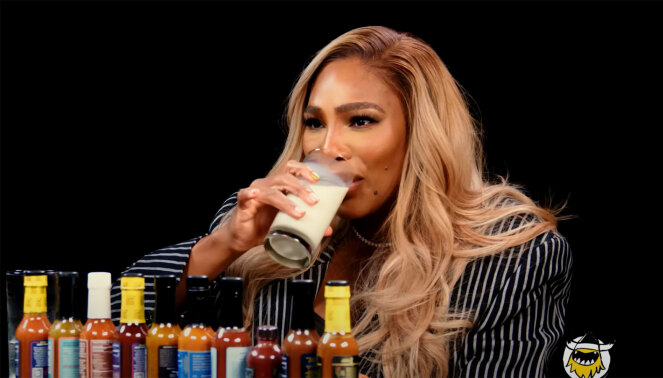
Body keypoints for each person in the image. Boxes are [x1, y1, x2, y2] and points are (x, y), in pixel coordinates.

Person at [112, 25, 572, 377]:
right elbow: (113, 331)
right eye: (315, 122)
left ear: (422, 134)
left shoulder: (511, 257)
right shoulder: (264, 225)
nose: (328, 146)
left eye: (361, 121)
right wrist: (224, 243)